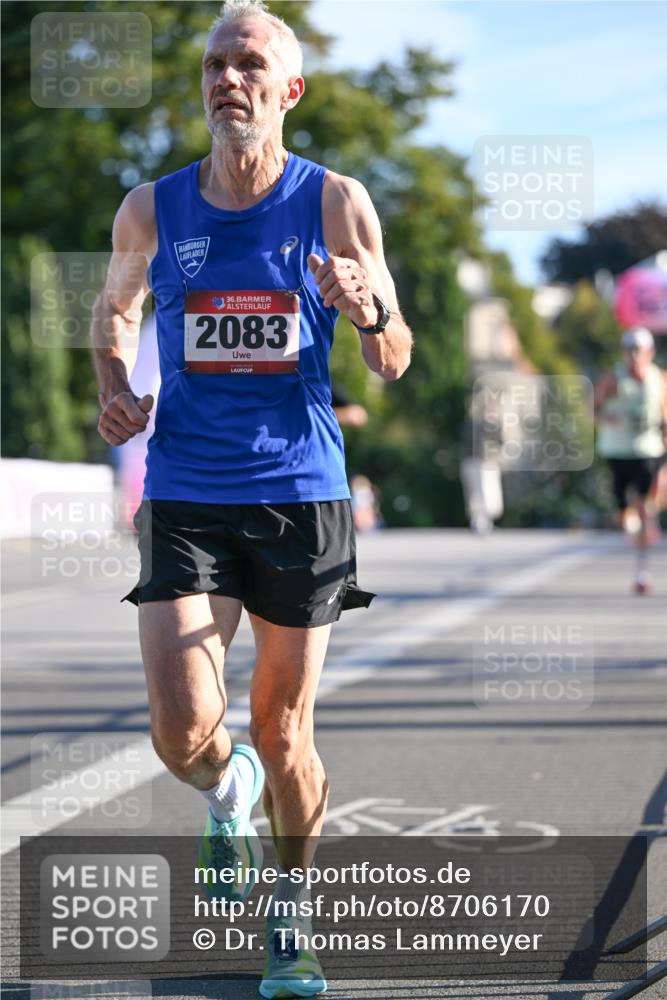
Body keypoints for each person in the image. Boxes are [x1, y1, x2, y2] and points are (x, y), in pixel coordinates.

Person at [90, 2, 412, 996]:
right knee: (181, 729)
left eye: (248, 64)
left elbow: (394, 357)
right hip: (185, 489)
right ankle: (225, 789)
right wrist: (114, 387)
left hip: (299, 495)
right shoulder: (151, 208)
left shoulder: (336, 202)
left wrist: (369, 309)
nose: (227, 79)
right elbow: (113, 311)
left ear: (289, 90)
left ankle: (292, 915)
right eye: (213, 65)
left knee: (282, 729)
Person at [595, 327, 667, 594]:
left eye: (639, 350)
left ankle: (641, 571)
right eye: (630, 350)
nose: (634, 356)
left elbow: (664, 412)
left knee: (643, 504)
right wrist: (607, 418)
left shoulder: (659, 378)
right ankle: (636, 527)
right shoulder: (612, 380)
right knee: (625, 513)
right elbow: (592, 411)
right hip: (617, 451)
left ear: (650, 352)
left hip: (648, 450)